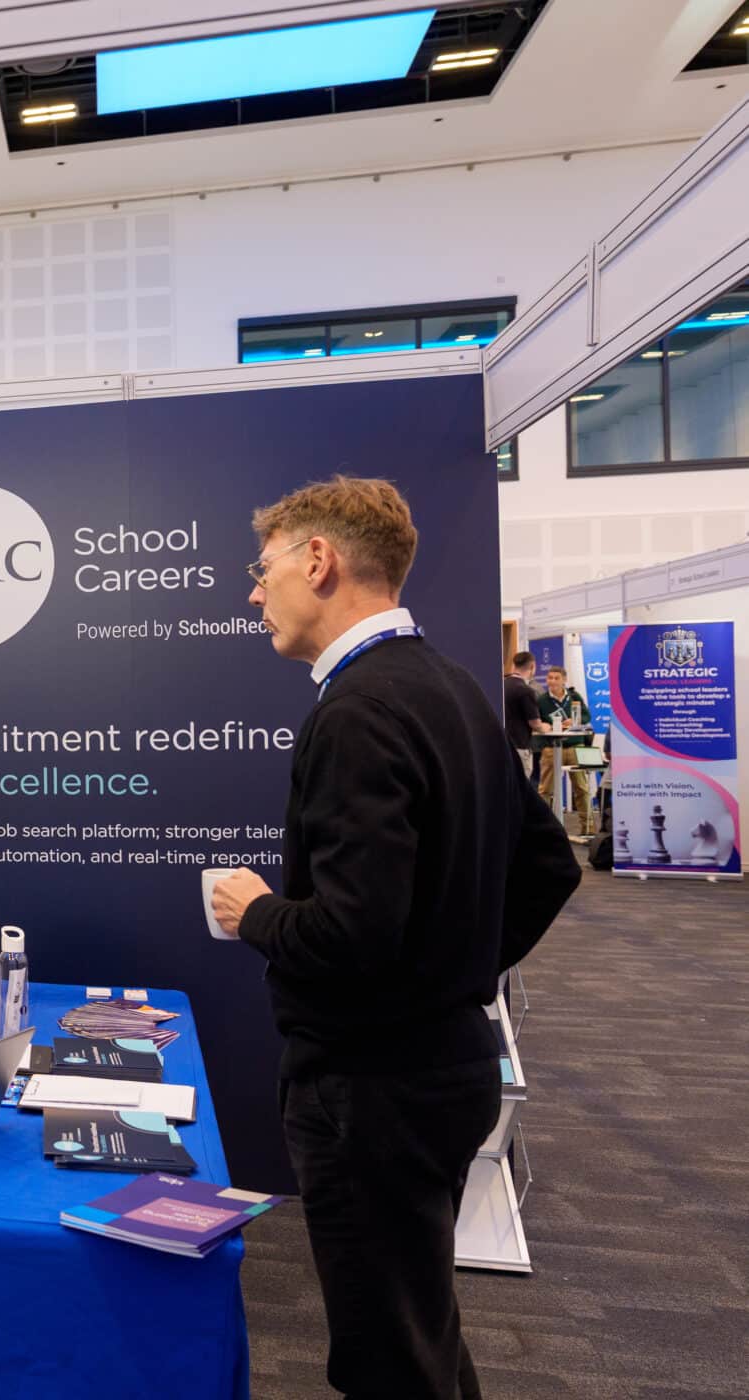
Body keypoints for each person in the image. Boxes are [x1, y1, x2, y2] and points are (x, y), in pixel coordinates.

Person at [210, 478, 580, 1400]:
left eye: (263, 571)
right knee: (417, 1327)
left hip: (373, 1088)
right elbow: (549, 867)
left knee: (388, 1356)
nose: (255, 594)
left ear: (320, 562)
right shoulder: (450, 686)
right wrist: (453, 972)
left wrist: (252, 911)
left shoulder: (360, 709)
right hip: (444, 1065)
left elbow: (349, 933)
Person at [536, 666, 591, 836]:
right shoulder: (542, 700)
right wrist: (548, 726)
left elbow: (587, 717)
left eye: (556, 678)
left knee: (581, 788)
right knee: (545, 790)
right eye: (549, 678)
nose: (552, 681)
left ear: (564, 680)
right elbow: (538, 722)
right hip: (551, 748)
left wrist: (574, 721)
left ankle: (587, 828)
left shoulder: (574, 697)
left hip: (575, 747)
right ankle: (544, 830)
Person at [503, 651, 546, 778]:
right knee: (521, 789)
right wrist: (545, 727)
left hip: (504, 745)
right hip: (520, 746)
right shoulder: (526, 690)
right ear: (532, 666)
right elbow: (534, 723)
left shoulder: (502, 685)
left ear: (514, 665)